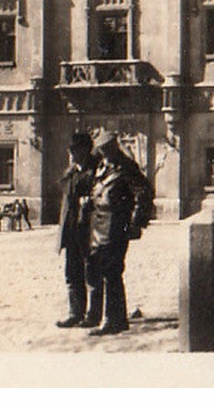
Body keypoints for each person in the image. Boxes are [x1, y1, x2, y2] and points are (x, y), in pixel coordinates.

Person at [83, 129, 154, 336]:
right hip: (98, 225)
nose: (104, 153)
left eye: (106, 149)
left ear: (114, 147)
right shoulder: (104, 166)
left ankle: (113, 320)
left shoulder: (126, 167)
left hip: (116, 225)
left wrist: (136, 222)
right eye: (102, 150)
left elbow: (145, 193)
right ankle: (107, 317)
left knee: (112, 272)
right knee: (99, 271)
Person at [55, 131, 95, 328]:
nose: (70, 153)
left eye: (75, 149)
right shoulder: (71, 172)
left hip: (89, 231)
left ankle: (93, 315)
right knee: (72, 273)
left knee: (92, 273)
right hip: (71, 231)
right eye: (70, 149)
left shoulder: (95, 172)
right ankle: (75, 313)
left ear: (86, 150)